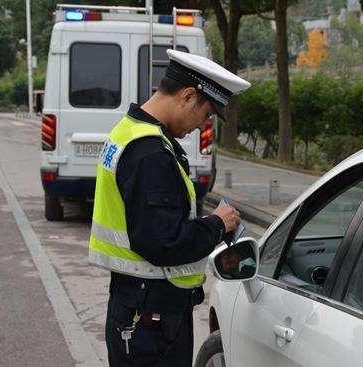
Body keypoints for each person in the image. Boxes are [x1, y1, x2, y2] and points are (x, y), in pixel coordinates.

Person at [89, 49, 251, 367]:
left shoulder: (130, 131)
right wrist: (218, 224)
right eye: (206, 115)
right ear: (188, 96)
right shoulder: (150, 152)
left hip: (139, 307)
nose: (202, 125)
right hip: (151, 318)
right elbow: (163, 241)